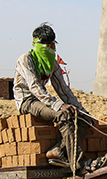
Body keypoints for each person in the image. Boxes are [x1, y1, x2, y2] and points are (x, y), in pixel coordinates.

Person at [13, 23, 91, 170]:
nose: (48, 48)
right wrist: (59, 105)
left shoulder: (53, 63)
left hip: (43, 100)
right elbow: (35, 87)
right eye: (44, 44)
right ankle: (79, 163)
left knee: (85, 120)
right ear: (35, 42)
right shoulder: (25, 59)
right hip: (28, 100)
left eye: (51, 45)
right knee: (63, 115)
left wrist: (81, 110)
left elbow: (63, 89)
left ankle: (57, 150)